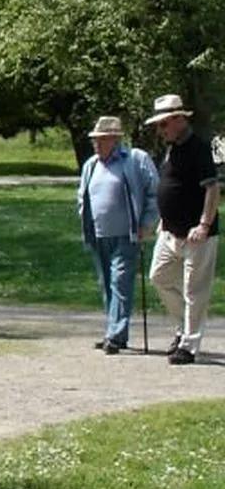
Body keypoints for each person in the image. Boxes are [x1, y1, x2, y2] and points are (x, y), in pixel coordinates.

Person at [145, 94, 219, 365]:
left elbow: (212, 189)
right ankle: (183, 327)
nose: (159, 130)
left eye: (163, 124)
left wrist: (204, 224)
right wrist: (163, 220)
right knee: (159, 277)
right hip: (170, 231)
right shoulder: (171, 147)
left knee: (194, 290)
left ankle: (188, 344)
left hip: (196, 233)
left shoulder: (198, 148)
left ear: (178, 120)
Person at [77, 115, 159, 354]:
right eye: (94, 140)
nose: (96, 144)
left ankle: (115, 333)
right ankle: (114, 332)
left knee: (120, 282)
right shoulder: (91, 165)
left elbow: (154, 193)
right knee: (107, 285)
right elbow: (83, 196)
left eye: (100, 139)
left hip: (127, 234)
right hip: (98, 235)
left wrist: (146, 224)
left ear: (114, 139)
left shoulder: (135, 160)